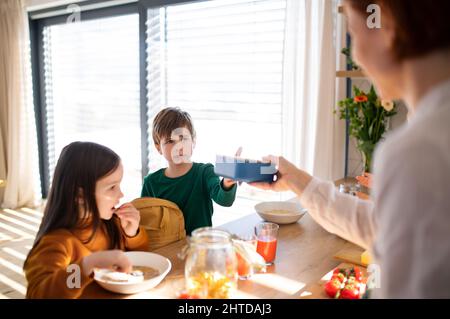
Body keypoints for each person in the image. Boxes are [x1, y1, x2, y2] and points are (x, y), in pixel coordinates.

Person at [251, 0, 450, 298]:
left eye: (354, 34)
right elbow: (382, 226)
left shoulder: (418, 151)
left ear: (387, 26)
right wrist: (296, 179)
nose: (355, 56)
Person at [23, 142, 149, 298]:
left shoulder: (112, 223)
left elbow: (139, 264)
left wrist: (132, 233)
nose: (121, 194)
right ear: (80, 196)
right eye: (112, 187)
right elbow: (39, 294)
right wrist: (86, 266)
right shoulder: (57, 242)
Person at [141, 107, 239, 235]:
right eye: (170, 141)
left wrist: (227, 182)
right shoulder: (151, 182)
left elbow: (225, 200)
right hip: (166, 248)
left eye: (184, 139)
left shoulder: (205, 172)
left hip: (200, 248)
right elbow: (145, 221)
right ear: (158, 147)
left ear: (193, 141)